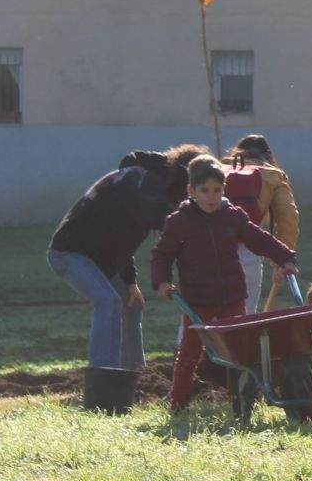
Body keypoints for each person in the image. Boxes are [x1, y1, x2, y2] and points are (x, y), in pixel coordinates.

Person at [152, 156, 298, 413]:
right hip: (197, 300)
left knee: (241, 352)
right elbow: (162, 254)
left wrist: (285, 258)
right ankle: (178, 403)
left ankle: (244, 400)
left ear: (224, 190)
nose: (212, 197)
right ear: (191, 191)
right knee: (189, 352)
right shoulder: (179, 222)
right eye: (205, 191)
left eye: (217, 190)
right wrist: (162, 282)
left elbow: (259, 240)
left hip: (232, 297)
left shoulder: (232, 217)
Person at [46, 144, 207, 373]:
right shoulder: (143, 184)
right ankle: (103, 372)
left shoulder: (147, 181)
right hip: (69, 253)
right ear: (184, 179)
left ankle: (133, 371)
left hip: (101, 256)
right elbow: (161, 219)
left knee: (132, 305)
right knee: (107, 300)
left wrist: (130, 282)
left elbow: (124, 237)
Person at [223, 135, 301, 311]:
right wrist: (281, 261)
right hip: (248, 251)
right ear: (268, 155)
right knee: (245, 317)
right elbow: (288, 218)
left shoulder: (217, 170)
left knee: (198, 321)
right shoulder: (273, 175)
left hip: (206, 251)